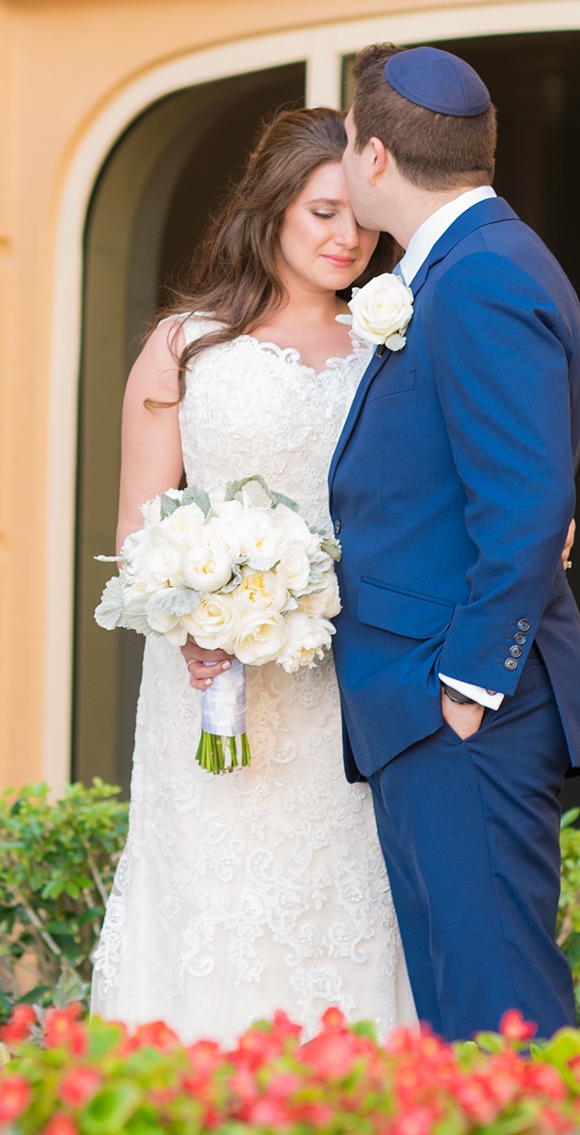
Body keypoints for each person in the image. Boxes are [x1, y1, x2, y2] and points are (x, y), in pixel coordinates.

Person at [91, 106, 418, 1040]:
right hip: (209, 678)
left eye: (360, 214)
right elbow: (139, 527)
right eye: (322, 212)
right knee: (210, 886)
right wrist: (196, 621)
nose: (346, 236)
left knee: (343, 891)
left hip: (342, 679)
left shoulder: (389, 346)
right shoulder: (186, 345)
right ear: (271, 208)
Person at [329, 44, 580, 1040]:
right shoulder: (462, 263)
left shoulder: (479, 274)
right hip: (418, 704)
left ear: (370, 157)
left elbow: (528, 503)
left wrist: (464, 688)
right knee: (460, 1020)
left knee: (500, 1019)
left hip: (460, 709)